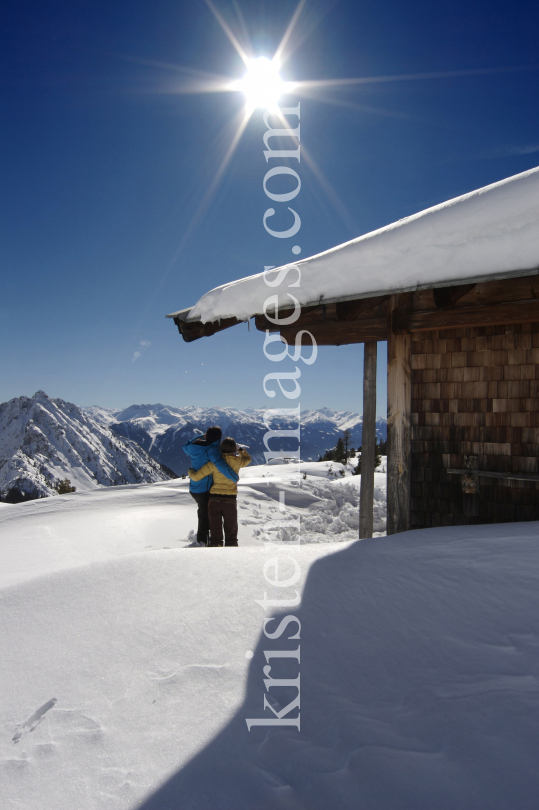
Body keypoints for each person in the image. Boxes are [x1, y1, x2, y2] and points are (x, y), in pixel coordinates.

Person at [188, 437, 251, 547]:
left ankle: (215, 557)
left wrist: (190, 471)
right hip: (230, 501)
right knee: (231, 534)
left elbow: (197, 477)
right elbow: (248, 459)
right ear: (233, 449)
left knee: (215, 535)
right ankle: (232, 556)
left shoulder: (215, 462)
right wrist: (240, 449)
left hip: (214, 500)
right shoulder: (238, 461)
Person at [183, 427, 239, 546]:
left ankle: (205, 540)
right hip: (205, 489)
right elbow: (221, 466)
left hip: (194, 488)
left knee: (203, 513)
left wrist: (200, 437)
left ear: (206, 435)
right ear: (219, 438)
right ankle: (202, 543)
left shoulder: (193, 447)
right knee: (206, 518)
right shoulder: (213, 450)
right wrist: (234, 478)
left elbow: (185, 446)